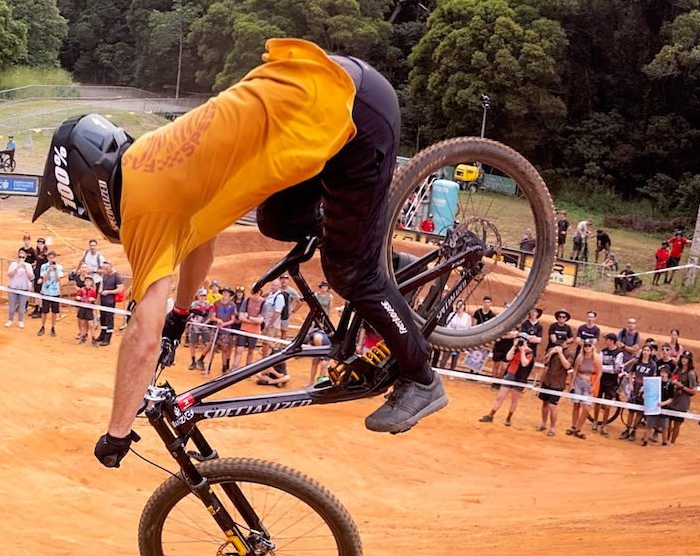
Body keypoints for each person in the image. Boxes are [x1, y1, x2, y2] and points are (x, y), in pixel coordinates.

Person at [32, 40, 445, 469]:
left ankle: (420, 378)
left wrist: (117, 433)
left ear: (89, 192)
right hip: (321, 95)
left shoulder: (141, 204)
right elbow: (199, 242)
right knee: (278, 222)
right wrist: (181, 316)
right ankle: (373, 253)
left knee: (348, 273)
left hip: (349, 108)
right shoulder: (151, 162)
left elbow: (142, 337)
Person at [539, 341, 572, 436]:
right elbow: (544, 361)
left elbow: (567, 366)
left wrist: (561, 353)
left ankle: (552, 428)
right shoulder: (551, 350)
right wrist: (550, 353)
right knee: (544, 403)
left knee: (552, 406)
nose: (559, 345)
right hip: (548, 380)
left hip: (558, 383)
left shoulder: (570, 353)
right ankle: (543, 424)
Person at [664, 349, 696, 446]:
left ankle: (672, 442)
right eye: (683, 358)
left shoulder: (691, 374)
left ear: (689, 361)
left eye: (686, 359)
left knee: (677, 424)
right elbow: (672, 377)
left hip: (682, 401)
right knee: (668, 421)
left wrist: (681, 386)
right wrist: (673, 382)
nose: (684, 360)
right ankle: (666, 441)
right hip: (674, 398)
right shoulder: (677, 369)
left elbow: (694, 390)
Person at [37, 250, 64, 336]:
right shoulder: (44, 266)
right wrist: (49, 271)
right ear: (48, 258)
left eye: (53, 257)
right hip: (46, 291)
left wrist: (55, 271)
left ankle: (53, 328)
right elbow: (44, 278)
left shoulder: (59, 267)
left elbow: (58, 280)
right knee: (44, 311)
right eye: (50, 257)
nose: (51, 259)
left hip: (55, 292)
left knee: (54, 312)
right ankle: (42, 327)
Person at [5, 248, 33, 327]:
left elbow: (31, 277)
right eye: (19, 257)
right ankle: (10, 320)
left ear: (25, 258)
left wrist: (25, 269)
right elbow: (9, 274)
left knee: (22, 306)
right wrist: (17, 267)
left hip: (24, 288)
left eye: (23, 257)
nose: (21, 259)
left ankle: (20, 321)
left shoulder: (28, 265)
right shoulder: (13, 264)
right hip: (13, 288)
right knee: (12, 305)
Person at [74, 268, 100, 344]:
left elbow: (95, 299)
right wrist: (78, 297)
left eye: (89, 281)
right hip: (82, 308)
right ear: (84, 282)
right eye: (86, 281)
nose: (88, 283)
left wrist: (93, 299)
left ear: (91, 282)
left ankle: (93, 338)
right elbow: (77, 296)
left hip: (89, 308)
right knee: (82, 323)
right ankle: (83, 337)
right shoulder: (82, 290)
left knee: (91, 324)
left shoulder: (93, 291)